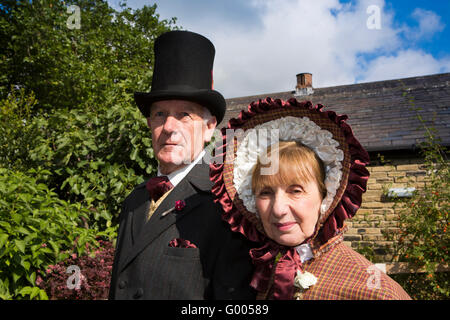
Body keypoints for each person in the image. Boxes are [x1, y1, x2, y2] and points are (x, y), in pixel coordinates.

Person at [210, 97, 411, 300]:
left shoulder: (374, 293)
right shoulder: (251, 274)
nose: (278, 209)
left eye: (295, 191)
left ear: (325, 195)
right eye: (265, 192)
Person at [109, 30, 256, 300]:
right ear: (149, 124)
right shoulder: (134, 200)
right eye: (160, 114)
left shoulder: (226, 205)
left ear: (209, 127)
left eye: (184, 115)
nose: (168, 127)